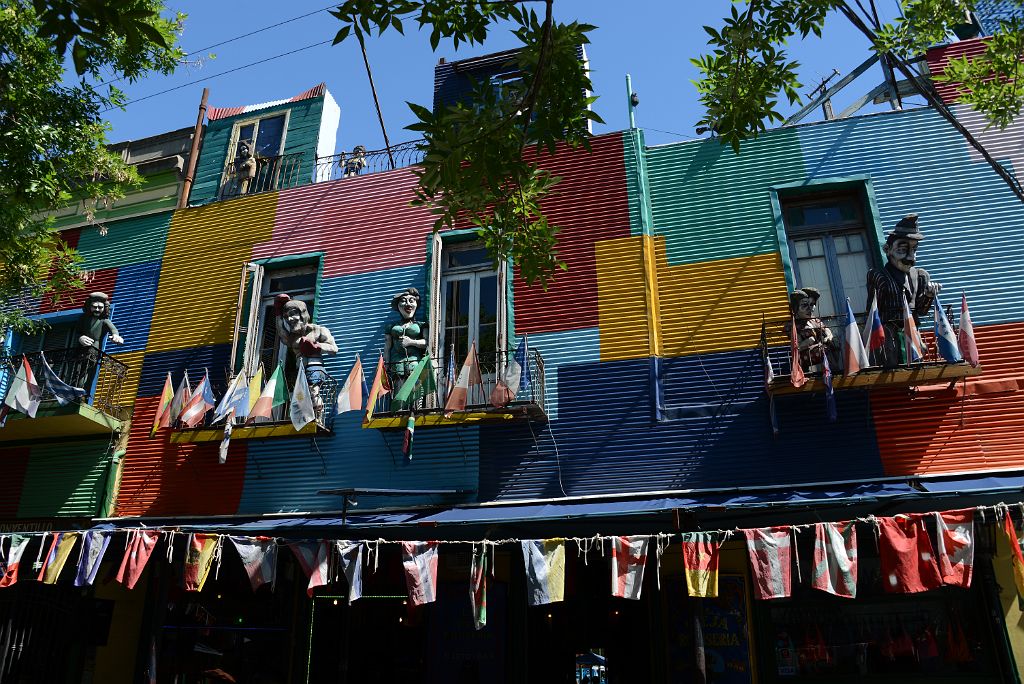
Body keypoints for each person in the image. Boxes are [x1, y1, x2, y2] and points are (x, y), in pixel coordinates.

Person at [865, 214, 941, 367]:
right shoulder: (878, 276)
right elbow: (872, 310)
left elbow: (921, 310)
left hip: (912, 335)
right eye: (903, 250)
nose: (911, 257)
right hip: (889, 336)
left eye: (914, 250)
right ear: (887, 249)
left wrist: (928, 295)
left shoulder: (920, 276)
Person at [385, 287, 427, 409]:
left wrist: (411, 342)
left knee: (414, 386)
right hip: (397, 363)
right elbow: (387, 347)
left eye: (411, 301)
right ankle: (399, 409)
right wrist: (386, 365)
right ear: (398, 306)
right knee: (398, 385)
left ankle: (414, 409)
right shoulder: (391, 326)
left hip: (414, 362)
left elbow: (426, 342)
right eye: (403, 301)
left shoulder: (421, 325)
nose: (408, 304)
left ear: (416, 304)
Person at [71, 292, 123, 389]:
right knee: (77, 370)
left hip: (94, 348)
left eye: (100, 307)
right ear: (89, 306)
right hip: (81, 348)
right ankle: (75, 388)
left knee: (88, 370)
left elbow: (113, 329)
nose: (97, 310)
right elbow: (77, 332)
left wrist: (116, 336)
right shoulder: (83, 319)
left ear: (105, 308)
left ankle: (82, 391)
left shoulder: (104, 321)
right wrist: (80, 338)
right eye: (94, 307)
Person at [785, 287, 834, 374]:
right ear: (795, 308)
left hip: (822, 354)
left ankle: (830, 369)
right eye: (804, 305)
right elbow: (796, 348)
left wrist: (828, 337)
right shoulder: (792, 325)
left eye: (812, 304)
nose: (810, 309)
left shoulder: (814, 321)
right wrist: (808, 341)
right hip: (804, 359)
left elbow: (827, 330)